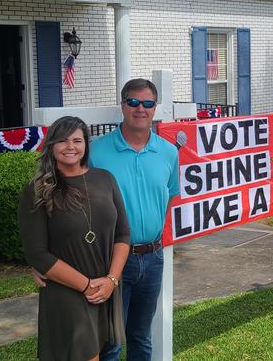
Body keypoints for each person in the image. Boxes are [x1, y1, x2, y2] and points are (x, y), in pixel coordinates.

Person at [18, 116, 130, 361]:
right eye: (62, 141)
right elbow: (37, 254)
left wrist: (111, 280)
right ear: (51, 146)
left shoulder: (105, 179)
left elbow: (123, 234)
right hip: (67, 291)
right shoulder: (37, 190)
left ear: (86, 145)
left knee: (107, 352)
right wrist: (87, 285)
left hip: (106, 286)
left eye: (77, 140)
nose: (70, 146)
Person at [92, 79, 180, 361]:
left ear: (155, 108)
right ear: (123, 105)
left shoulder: (168, 152)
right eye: (133, 102)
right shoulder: (96, 152)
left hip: (153, 257)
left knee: (141, 336)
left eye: (147, 103)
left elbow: (168, 198)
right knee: (112, 341)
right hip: (112, 259)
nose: (140, 109)